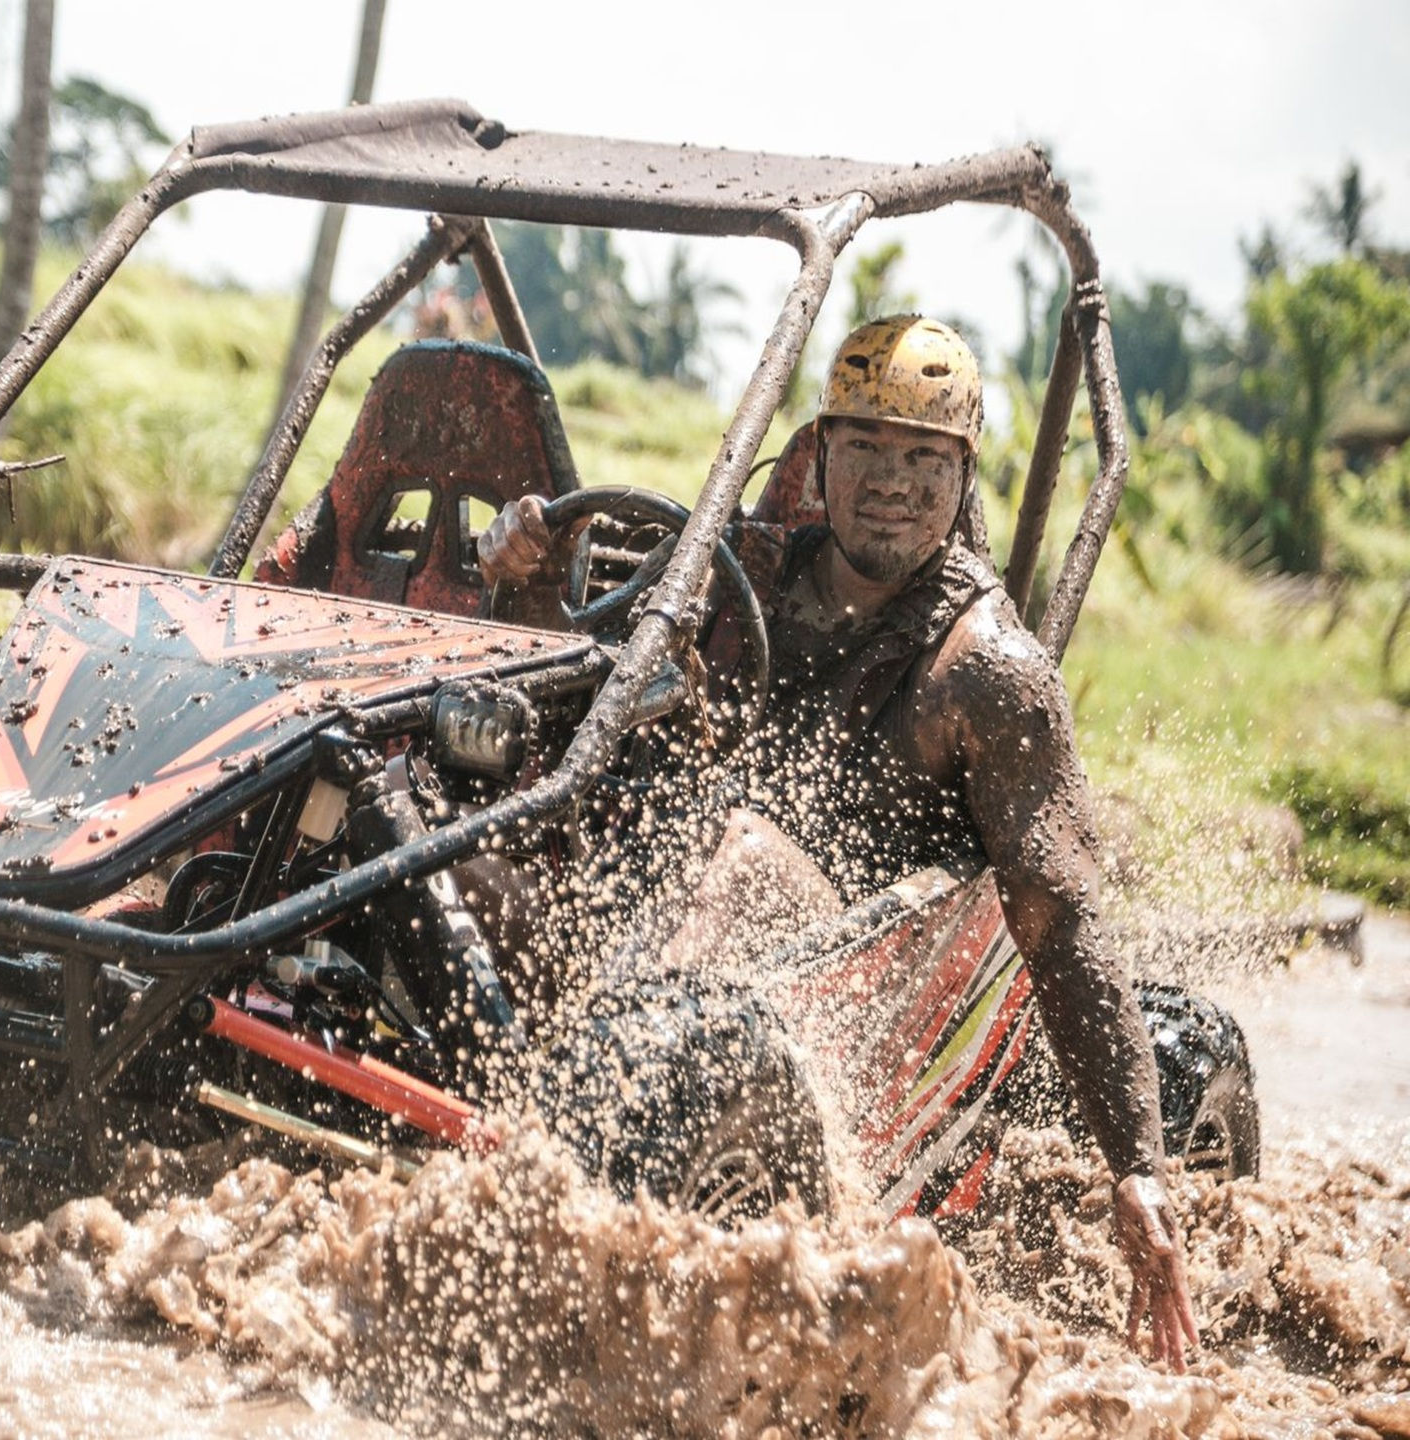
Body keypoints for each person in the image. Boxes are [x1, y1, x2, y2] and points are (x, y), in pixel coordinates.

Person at [477, 315, 1200, 1371]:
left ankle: (563, 1112)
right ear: (819, 456)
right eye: (866, 449)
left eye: (923, 458)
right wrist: (528, 572)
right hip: (665, 918)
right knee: (479, 843)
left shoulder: (989, 670)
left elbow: (1064, 921)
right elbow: (585, 695)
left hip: (836, 974)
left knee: (743, 854)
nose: (892, 483)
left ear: (962, 475)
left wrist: (1138, 1170)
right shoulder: (743, 572)